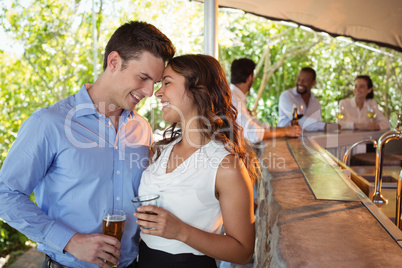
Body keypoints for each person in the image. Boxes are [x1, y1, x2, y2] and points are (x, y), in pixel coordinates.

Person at [0, 21, 175, 268]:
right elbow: (5, 194)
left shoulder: (142, 128)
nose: (149, 91)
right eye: (143, 78)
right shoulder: (50, 123)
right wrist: (69, 241)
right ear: (114, 62)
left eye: (155, 82)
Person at [134, 54, 260, 267]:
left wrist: (180, 231)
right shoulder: (160, 150)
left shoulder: (226, 165)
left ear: (197, 89)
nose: (158, 92)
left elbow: (243, 252)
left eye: (167, 83)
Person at [230, 58, 301, 143]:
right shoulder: (234, 100)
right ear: (250, 77)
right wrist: (286, 131)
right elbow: (253, 134)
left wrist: (286, 129)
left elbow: (255, 125)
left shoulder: (236, 97)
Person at [278, 67, 340, 132]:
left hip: (307, 140)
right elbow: (299, 120)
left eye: (305, 80)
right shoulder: (287, 96)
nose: (300, 83)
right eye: (299, 79)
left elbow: (315, 125)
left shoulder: (316, 103)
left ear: (313, 83)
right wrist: (325, 126)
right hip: (285, 139)